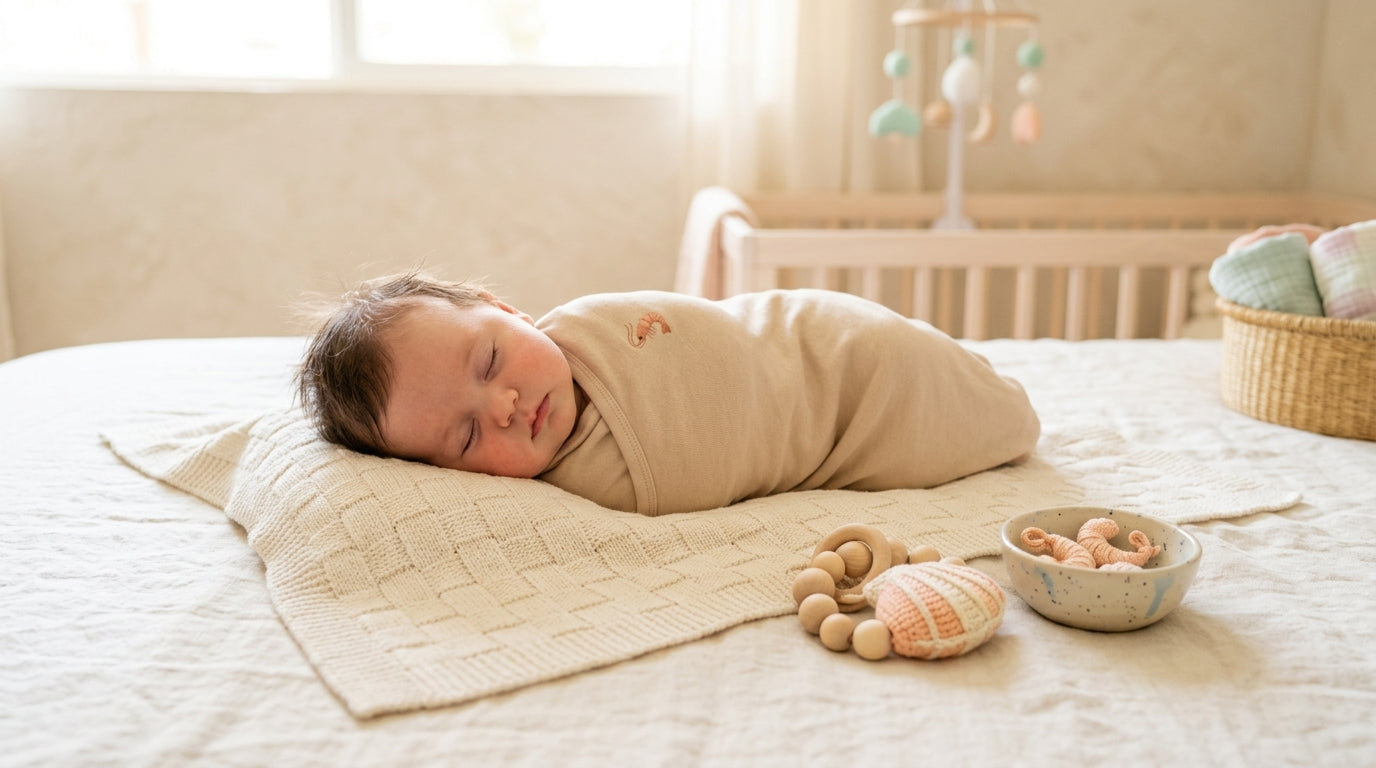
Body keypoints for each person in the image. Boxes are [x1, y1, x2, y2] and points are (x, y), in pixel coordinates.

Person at [297, 271, 1041, 516]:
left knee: (935, 386)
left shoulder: (589, 324)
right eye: (464, 438)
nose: (504, 405)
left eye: (491, 359)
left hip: (837, 352)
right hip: (841, 431)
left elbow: (731, 338)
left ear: (507, 310)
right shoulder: (567, 498)